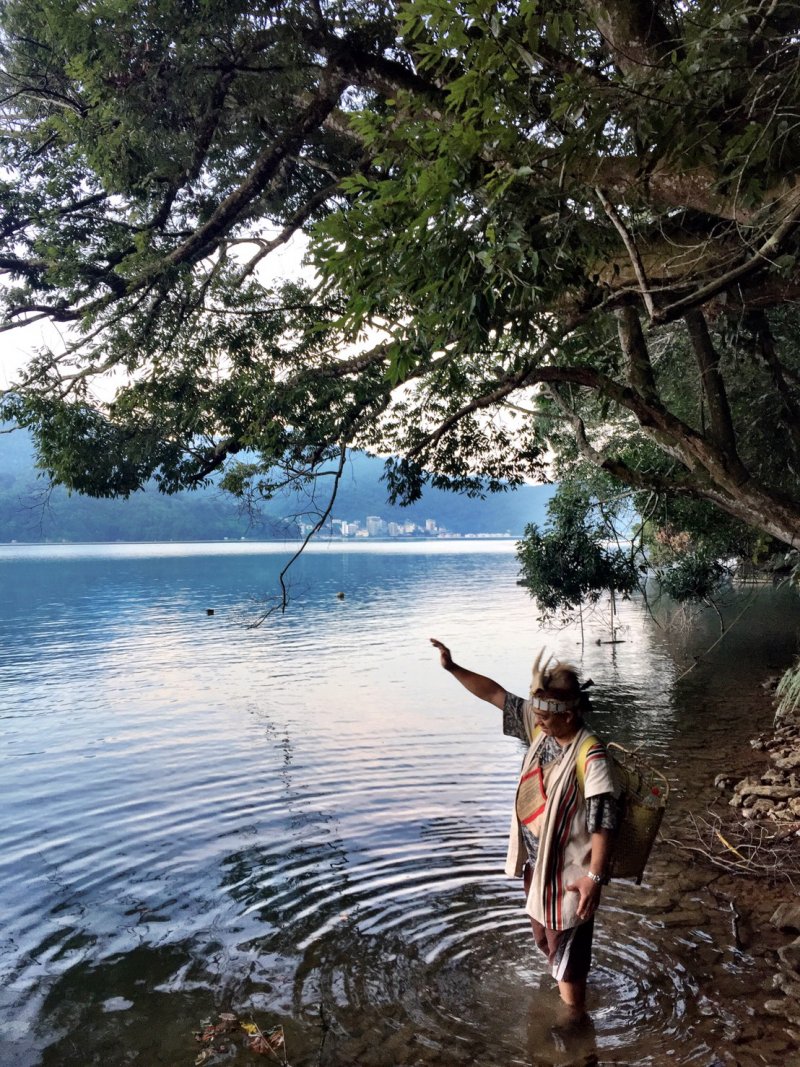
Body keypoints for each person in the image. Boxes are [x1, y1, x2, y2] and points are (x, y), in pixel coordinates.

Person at [430, 639, 619, 1017]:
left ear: (568, 715)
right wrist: (453, 668)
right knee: (548, 943)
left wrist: (594, 879)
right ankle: (569, 1003)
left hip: (571, 876)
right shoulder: (540, 728)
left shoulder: (591, 755)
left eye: (546, 719)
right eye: (538, 717)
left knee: (569, 953)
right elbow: (495, 694)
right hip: (538, 867)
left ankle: (575, 1026)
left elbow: (604, 820)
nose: (539, 724)